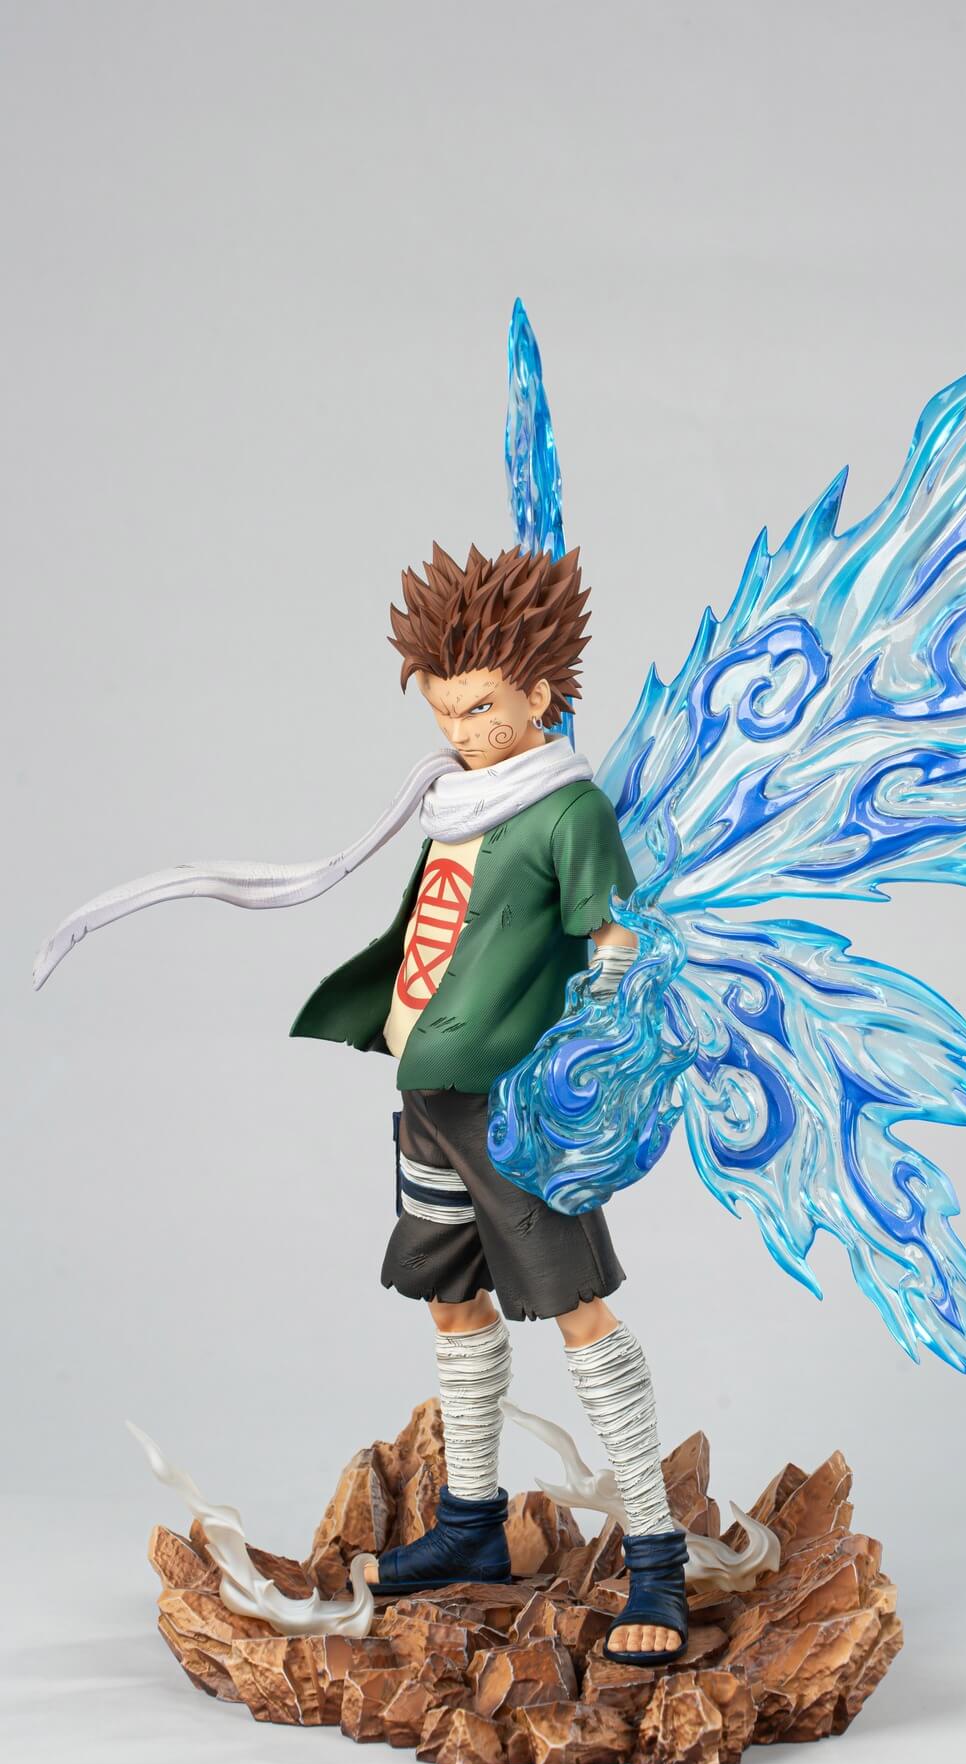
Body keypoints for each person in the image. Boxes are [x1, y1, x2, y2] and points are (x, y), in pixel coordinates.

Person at [290, 541, 687, 1665]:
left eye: (480, 709)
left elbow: (616, 937)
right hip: (427, 1092)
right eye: (443, 711)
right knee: (450, 1299)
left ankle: (656, 1557)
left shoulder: (565, 811)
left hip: (516, 1105)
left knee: (576, 1308)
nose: (460, 731)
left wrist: (593, 1056)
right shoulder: (457, 801)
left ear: (541, 697)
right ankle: (472, 1523)